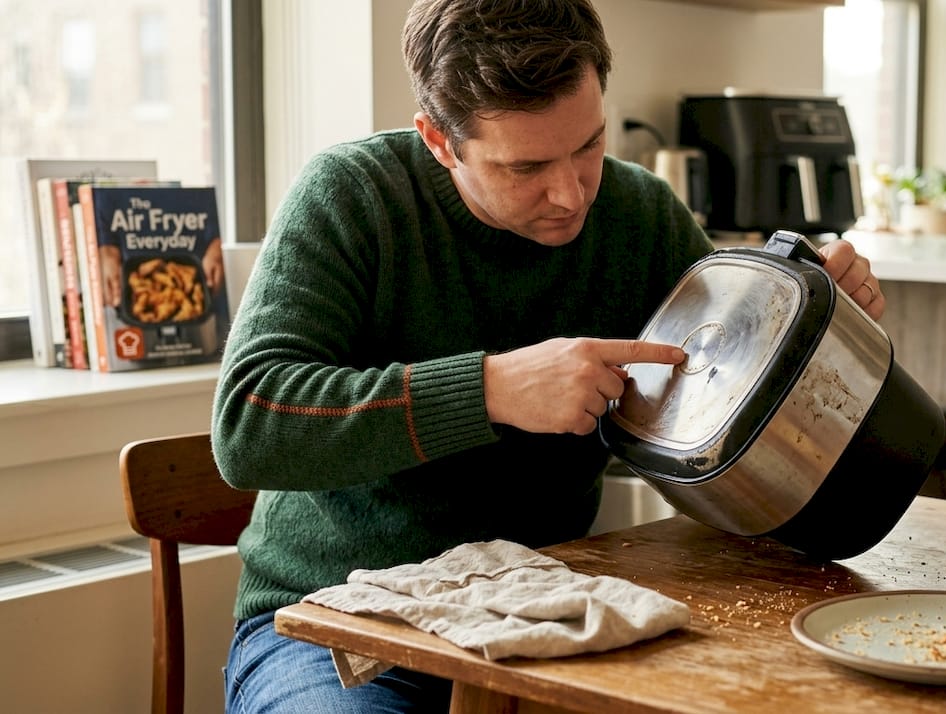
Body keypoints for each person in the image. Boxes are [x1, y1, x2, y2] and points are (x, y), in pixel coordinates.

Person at [214, 0, 885, 710]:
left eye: (589, 145)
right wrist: (492, 390)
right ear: (439, 142)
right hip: (336, 619)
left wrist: (824, 322)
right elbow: (249, 426)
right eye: (525, 166)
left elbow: (739, 408)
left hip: (552, 606)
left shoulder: (641, 216)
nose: (570, 195)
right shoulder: (352, 197)